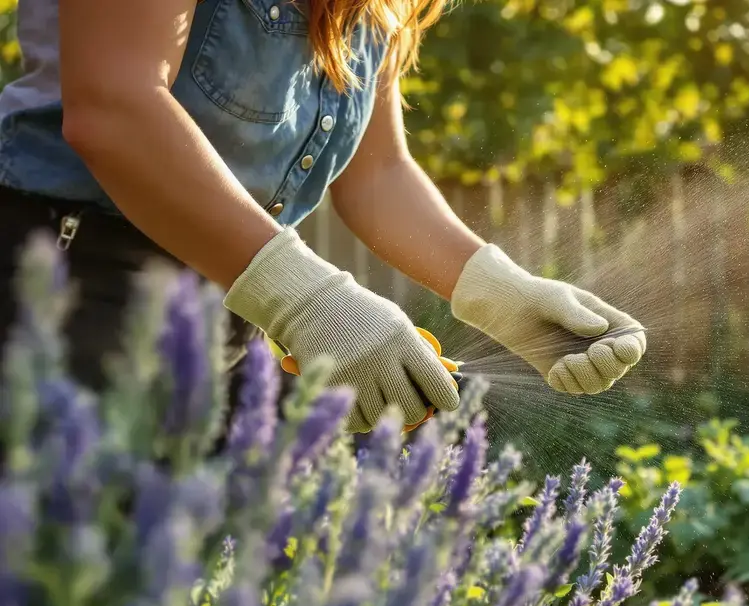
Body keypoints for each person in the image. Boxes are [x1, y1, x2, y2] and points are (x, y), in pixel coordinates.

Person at [0, 0, 646, 434]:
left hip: (223, 313)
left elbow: (378, 175)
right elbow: (113, 106)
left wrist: (502, 294)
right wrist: (309, 302)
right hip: (61, 289)